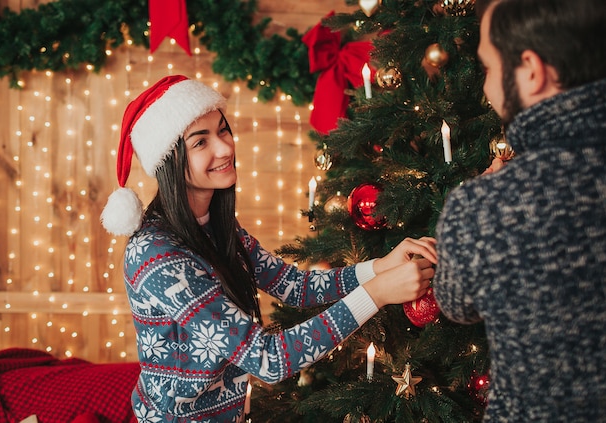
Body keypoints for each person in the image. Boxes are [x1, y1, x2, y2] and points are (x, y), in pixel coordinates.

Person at [101, 75, 437, 422]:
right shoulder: (157, 256)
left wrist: (377, 268)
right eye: (200, 143)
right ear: (169, 159)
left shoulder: (218, 227)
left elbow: (296, 287)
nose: (224, 148)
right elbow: (270, 359)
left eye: (222, 130)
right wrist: (377, 293)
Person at [433, 0, 606, 421]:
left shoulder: (483, 207)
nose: (487, 87)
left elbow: (455, 303)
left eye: (489, 68)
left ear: (531, 69)